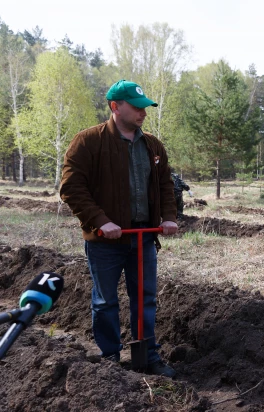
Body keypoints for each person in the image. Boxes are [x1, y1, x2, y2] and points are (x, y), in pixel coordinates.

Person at [60, 79, 178, 377]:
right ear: (115, 107)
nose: (143, 113)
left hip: (144, 238)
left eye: (145, 108)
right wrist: (101, 221)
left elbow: (165, 185)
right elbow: (72, 188)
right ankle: (110, 357)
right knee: (105, 301)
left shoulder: (152, 145)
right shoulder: (88, 142)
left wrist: (167, 216)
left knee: (146, 298)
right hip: (105, 241)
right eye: (137, 107)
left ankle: (147, 356)